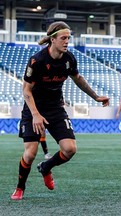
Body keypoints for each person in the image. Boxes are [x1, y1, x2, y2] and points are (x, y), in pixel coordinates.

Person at [11, 21, 110, 200]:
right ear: (53, 40)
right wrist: (35, 115)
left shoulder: (69, 58)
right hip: (34, 108)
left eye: (68, 38)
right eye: (63, 38)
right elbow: (26, 90)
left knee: (70, 149)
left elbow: (78, 78)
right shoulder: (37, 60)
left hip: (55, 108)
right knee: (30, 153)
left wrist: (95, 97)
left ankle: (46, 167)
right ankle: (20, 187)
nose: (67, 42)